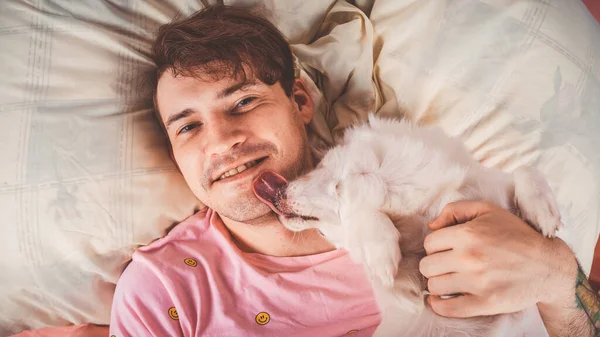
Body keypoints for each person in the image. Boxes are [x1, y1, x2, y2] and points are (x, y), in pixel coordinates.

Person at [109, 4, 599, 337]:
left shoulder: (431, 199)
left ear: (300, 101)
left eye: (242, 102)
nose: (221, 142)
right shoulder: (163, 293)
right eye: (188, 126)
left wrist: (557, 278)